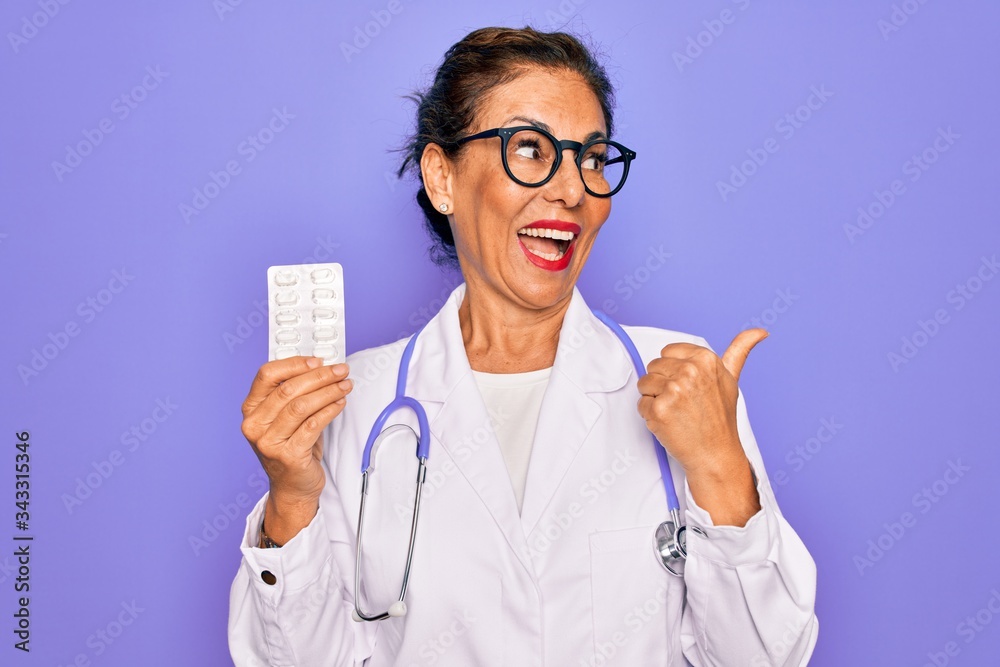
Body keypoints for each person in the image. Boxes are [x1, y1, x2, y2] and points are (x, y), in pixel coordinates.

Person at [229, 25, 818, 666]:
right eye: (531, 149)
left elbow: (764, 659)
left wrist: (719, 467)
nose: (573, 190)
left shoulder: (683, 381)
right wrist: (292, 498)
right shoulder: (351, 403)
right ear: (442, 177)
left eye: (592, 158)